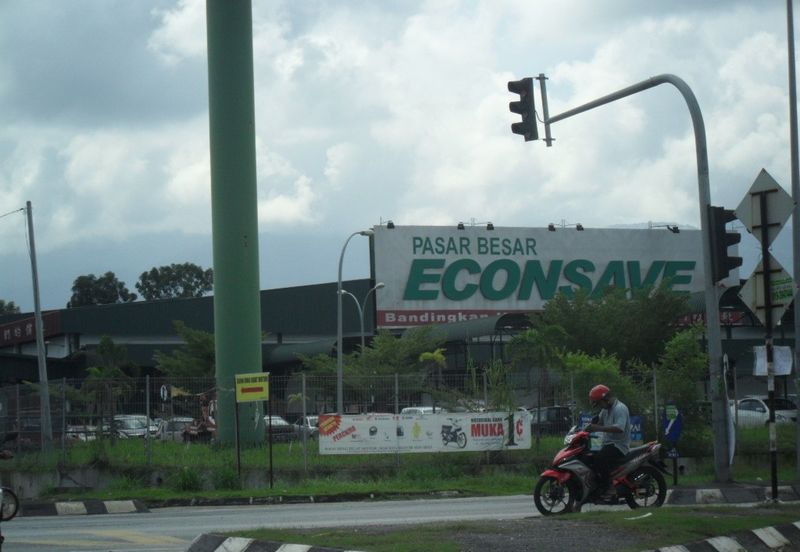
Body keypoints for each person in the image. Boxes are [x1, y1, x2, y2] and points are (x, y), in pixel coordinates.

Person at [585, 384, 631, 500]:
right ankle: (596, 486)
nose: (599, 406)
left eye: (599, 403)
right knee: (588, 456)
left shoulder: (620, 408)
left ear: (605, 399)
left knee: (600, 458)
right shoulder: (606, 410)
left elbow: (619, 428)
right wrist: (586, 427)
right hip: (608, 444)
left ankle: (609, 487)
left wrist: (597, 428)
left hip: (619, 445)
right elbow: (598, 421)